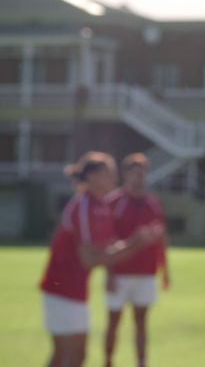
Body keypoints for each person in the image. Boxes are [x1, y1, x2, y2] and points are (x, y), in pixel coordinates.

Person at [39, 152, 163, 367]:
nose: (114, 180)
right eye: (109, 174)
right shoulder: (84, 205)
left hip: (75, 290)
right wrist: (135, 244)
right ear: (93, 176)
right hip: (61, 289)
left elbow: (108, 249)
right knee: (67, 356)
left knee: (73, 356)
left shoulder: (100, 206)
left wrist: (138, 242)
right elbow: (90, 259)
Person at [103, 153, 170, 367]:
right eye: (135, 172)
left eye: (142, 173)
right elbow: (106, 239)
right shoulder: (114, 202)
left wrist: (165, 271)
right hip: (121, 272)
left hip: (146, 272)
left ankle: (141, 363)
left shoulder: (153, 202)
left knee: (141, 322)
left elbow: (161, 238)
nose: (139, 177)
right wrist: (110, 273)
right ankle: (108, 361)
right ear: (126, 174)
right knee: (114, 321)